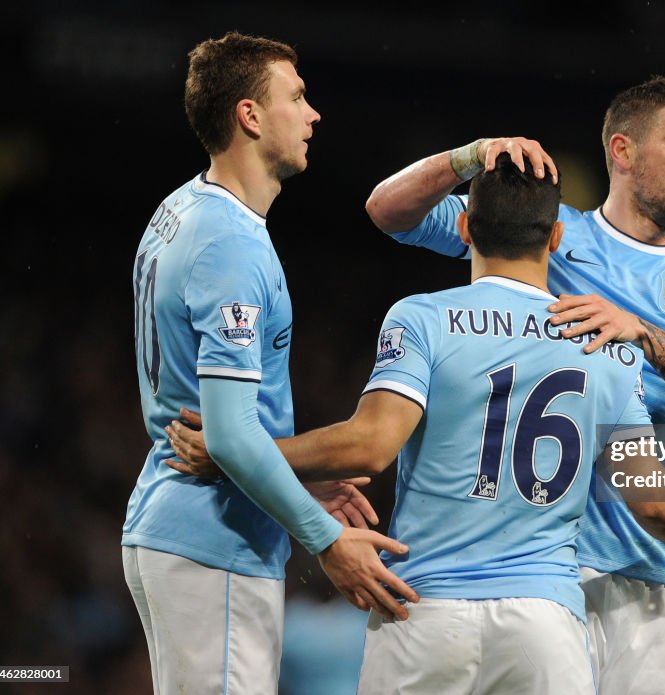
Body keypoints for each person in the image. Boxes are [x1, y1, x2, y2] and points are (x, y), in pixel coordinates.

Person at [167, 153, 665, 694]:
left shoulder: (424, 317)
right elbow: (655, 504)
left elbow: (370, 446)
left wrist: (238, 451)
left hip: (424, 612)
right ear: (556, 236)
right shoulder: (609, 351)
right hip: (544, 625)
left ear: (465, 227)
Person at [363, 76, 665, 694]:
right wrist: (469, 156)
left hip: (641, 565)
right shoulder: (551, 233)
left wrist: (641, 332)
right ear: (622, 152)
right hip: (537, 564)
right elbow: (388, 212)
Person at [121, 32, 416, 695]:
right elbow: (226, 433)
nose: (313, 114)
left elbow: (218, 428)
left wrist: (294, 482)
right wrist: (326, 539)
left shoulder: (180, 209)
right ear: (250, 116)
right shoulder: (232, 243)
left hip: (180, 525)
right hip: (212, 538)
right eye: (297, 97)